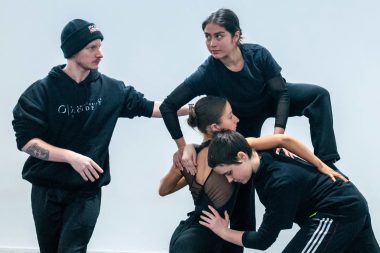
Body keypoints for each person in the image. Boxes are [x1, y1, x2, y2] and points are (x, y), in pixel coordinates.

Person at [159, 8, 340, 247]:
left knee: (317, 96)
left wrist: (278, 135)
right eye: (207, 36)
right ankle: (236, 239)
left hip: (268, 100)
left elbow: (282, 94)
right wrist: (184, 148)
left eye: (219, 36)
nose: (212, 43)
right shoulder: (207, 72)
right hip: (239, 120)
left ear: (236, 36)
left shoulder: (258, 55)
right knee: (240, 177)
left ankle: (328, 162)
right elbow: (168, 106)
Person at [12, 19, 188, 253]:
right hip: (46, 189)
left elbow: (153, 108)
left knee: (72, 250)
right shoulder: (40, 93)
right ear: (73, 50)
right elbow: (27, 142)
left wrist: (193, 109)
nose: (100, 53)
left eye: (100, 46)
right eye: (92, 48)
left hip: (86, 191)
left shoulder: (111, 90)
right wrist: (71, 157)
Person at [159, 96, 346, 253]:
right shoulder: (236, 148)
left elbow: (164, 189)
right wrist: (321, 165)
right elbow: (284, 140)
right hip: (202, 238)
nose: (236, 120)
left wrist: (186, 152)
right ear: (215, 127)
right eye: (230, 116)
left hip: (193, 233)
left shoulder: (192, 158)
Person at [201, 130, 379, 252]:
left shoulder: (279, 183)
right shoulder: (260, 150)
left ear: (241, 156)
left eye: (229, 173)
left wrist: (223, 231)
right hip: (350, 200)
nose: (230, 180)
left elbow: (263, 240)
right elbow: (283, 139)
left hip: (337, 211)